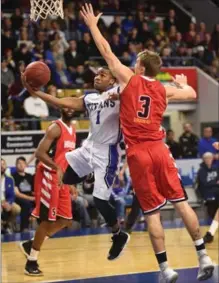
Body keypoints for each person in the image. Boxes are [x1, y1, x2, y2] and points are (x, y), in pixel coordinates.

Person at [79, 4, 214, 282]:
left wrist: (93, 25)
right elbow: (188, 90)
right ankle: (203, 256)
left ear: (140, 66)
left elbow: (106, 51)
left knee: (152, 212)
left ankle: (166, 269)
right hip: (161, 150)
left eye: (136, 61)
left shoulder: (130, 79)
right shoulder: (162, 89)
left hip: (139, 153)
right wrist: (178, 83)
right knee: (181, 203)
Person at [21, 66, 129, 262]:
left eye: (103, 75)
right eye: (96, 74)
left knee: (99, 200)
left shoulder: (120, 93)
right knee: (67, 177)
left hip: (107, 152)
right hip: (89, 148)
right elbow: (61, 101)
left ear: (112, 81)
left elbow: (137, 88)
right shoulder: (90, 99)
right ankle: (89, 174)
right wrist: (36, 92)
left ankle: (118, 234)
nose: (97, 77)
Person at [20, 108, 76, 276]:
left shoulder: (73, 129)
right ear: (61, 108)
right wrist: (56, 167)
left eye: (73, 106)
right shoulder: (55, 128)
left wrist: (70, 180)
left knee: (66, 219)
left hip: (61, 179)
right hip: (48, 176)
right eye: (66, 105)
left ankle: (31, 244)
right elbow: (39, 153)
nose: (70, 109)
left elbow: (68, 158)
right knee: (47, 221)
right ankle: (31, 262)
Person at [196, 152, 219, 244]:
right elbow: (203, 184)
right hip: (209, 194)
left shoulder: (215, 168)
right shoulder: (202, 171)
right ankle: (210, 233)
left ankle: (210, 233)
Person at [12, 157, 35, 232]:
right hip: (19, 198)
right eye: (19, 163)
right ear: (16, 165)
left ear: (26, 165)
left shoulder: (30, 176)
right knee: (26, 204)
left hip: (31, 198)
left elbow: (34, 191)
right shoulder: (13, 177)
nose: (21, 165)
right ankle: (24, 228)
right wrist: (30, 198)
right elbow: (17, 194)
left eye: (22, 163)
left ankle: (46, 226)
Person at [1, 158, 21, 233]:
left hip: (6, 201)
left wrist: (9, 202)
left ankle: (7, 224)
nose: (2, 166)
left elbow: (12, 195)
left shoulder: (10, 179)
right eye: (0, 164)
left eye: (3, 164)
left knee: (17, 209)